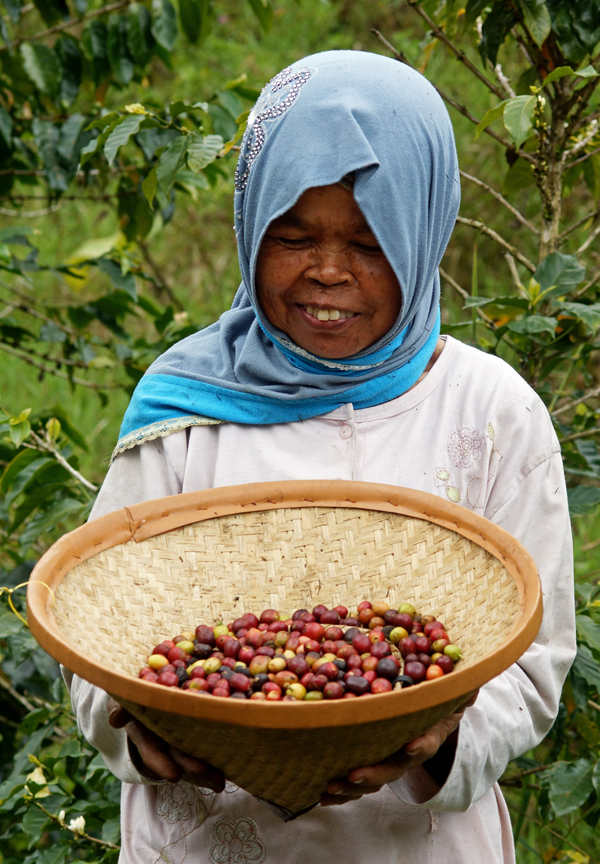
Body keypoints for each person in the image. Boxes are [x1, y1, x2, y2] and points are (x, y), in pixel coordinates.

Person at [64, 50, 576, 864]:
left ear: (422, 235)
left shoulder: (491, 414)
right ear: (249, 227)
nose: (329, 272)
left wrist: (437, 741)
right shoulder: (186, 408)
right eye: (293, 237)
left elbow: (533, 662)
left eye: (371, 244)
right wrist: (143, 737)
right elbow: (100, 635)